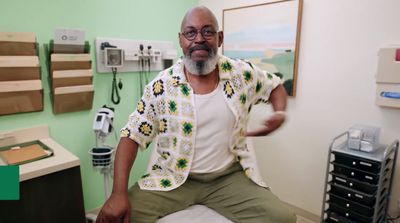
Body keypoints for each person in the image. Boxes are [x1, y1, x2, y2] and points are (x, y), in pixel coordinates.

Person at [96, 6, 296, 223]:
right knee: (117, 217)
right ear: (181, 40)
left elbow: (274, 86)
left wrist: (280, 112)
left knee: (283, 218)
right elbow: (131, 135)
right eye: (190, 33)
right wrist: (118, 193)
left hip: (228, 178)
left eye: (207, 31)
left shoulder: (242, 74)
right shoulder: (162, 87)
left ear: (219, 38)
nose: (199, 39)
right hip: (174, 178)